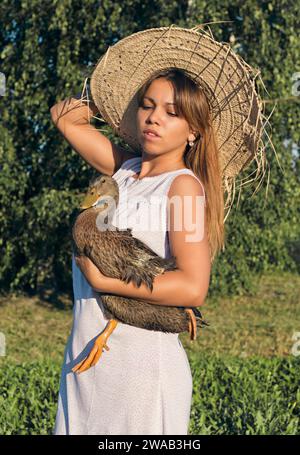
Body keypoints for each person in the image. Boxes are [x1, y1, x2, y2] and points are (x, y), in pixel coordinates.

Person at [50, 25, 268, 435]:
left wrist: (104, 281)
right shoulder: (125, 170)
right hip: (87, 358)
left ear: (194, 130)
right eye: (147, 106)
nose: (153, 118)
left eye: (172, 112)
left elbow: (192, 287)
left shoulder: (183, 188)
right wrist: (109, 95)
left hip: (140, 371)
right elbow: (64, 118)